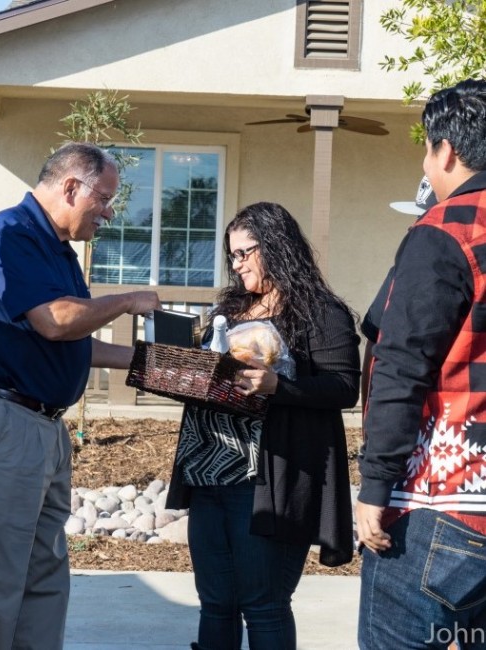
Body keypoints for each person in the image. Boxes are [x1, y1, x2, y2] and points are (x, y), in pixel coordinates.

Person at [0, 142, 161, 650]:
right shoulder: (10, 234)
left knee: (44, 582)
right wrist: (128, 300)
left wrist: (161, 366)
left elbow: (74, 341)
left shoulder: (58, 250)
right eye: (104, 198)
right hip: (3, 427)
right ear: (70, 187)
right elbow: (56, 321)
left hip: (42, 430)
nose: (108, 212)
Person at [166, 202, 361, 650]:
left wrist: (278, 386)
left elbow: (343, 388)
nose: (237, 265)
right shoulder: (230, 310)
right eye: (232, 256)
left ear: (276, 246)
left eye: (246, 253)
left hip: (267, 480)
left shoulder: (320, 312)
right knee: (215, 602)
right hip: (208, 472)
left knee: (263, 604)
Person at [357, 79, 486, 649]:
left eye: (427, 149)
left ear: (447, 151)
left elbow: (401, 365)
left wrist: (375, 486)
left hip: (443, 504)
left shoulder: (443, 233)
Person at [360, 176, 437, 413]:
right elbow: (374, 342)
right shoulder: (402, 269)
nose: (412, 226)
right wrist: (368, 422)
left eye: (423, 218)